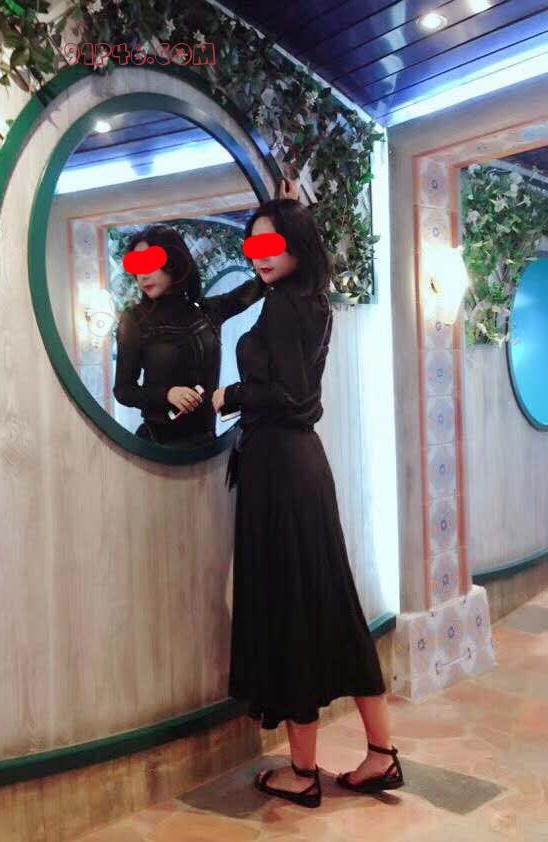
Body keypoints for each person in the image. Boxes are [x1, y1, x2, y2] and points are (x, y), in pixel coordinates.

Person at [211, 183, 404, 808]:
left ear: (297, 246)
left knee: (290, 607)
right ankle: (381, 754)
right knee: (331, 603)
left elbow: (289, 395)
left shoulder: (285, 307)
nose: (261, 254)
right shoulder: (309, 300)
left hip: (280, 468)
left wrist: (227, 396)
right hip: (299, 466)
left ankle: (301, 772)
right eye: (254, 245)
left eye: (273, 243)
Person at [112, 224, 266, 446]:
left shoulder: (206, 311)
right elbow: (123, 390)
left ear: (174, 262)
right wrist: (167, 394)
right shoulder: (134, 320)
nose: (142, 275)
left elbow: (259, 285)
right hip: (157, 447)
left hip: (206, 445)